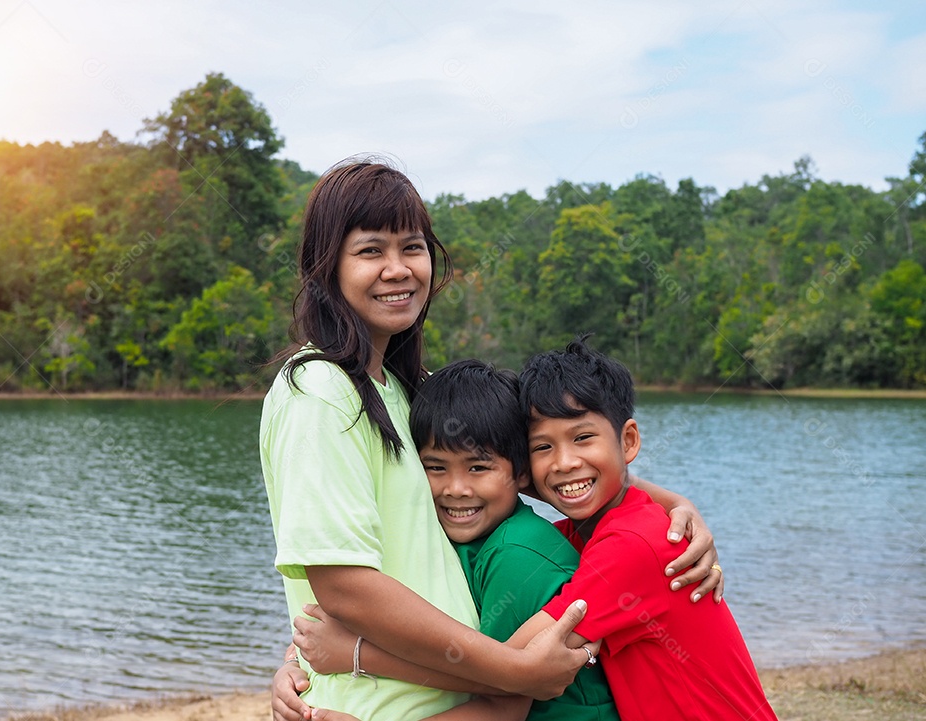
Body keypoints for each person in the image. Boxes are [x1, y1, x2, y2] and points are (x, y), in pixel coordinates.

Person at [262, 159, 720, 721]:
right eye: (370, 251)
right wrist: (516, 672)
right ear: (325, 266)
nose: (398, 269)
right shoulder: (320, 390)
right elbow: (342, 587)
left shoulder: (410, 390)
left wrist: (675, 509)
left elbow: (539, 462)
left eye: (412, 247)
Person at [293, 359, 620, 721]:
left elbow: (503, 697)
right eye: (436, 468)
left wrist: (355, 654)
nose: (456, 489)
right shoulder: (455, 535)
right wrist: (294, 664)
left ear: (522, 472)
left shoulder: (516, 554)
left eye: (478, 468)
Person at [518, 337, 777, 720]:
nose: (564, 462)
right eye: (542, 447)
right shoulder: (589, 530)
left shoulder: (631, 544)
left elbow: (516, 657)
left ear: (629, 441)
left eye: (582, 438)